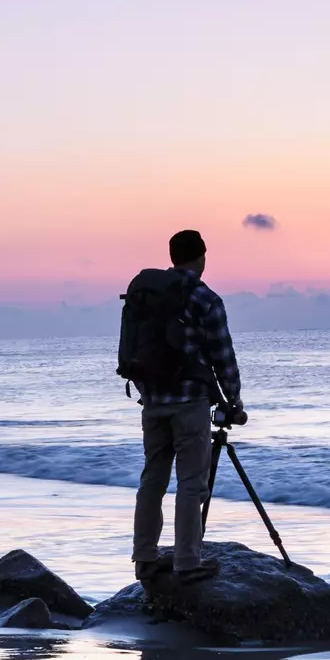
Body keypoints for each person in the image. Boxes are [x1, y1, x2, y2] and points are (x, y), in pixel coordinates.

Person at [126, 229, 244, 584]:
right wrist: (233, 400)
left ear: (173, 256)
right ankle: (187, 561)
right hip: (189, 402)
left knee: (153, 480)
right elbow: (222, 355)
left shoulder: (150, 295)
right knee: (191, 484)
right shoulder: (204, 298)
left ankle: (145, 557)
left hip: (152, 399)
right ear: (202, 256)